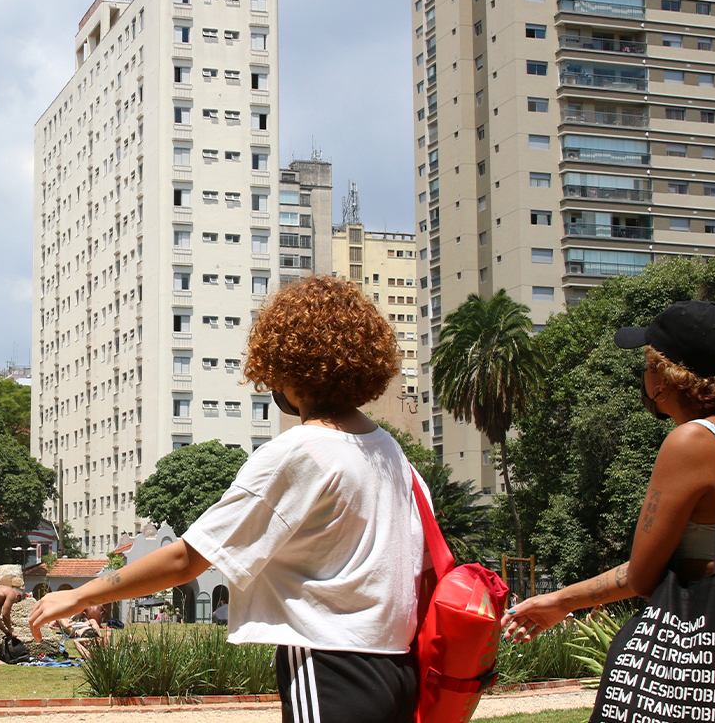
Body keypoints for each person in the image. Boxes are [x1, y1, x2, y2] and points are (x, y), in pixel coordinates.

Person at [32, 276, 427, 723]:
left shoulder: (300, 451)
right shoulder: (391, 453)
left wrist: (82, 594)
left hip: (331, 664)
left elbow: (187, 559)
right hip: (400, 665)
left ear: (286, 363)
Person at [503, 301, 715, 642]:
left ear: (663, 378)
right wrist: (561, 600)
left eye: (647, 365)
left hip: (699, 649)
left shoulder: (693, 441)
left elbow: (642, 578)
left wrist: (561, 601)